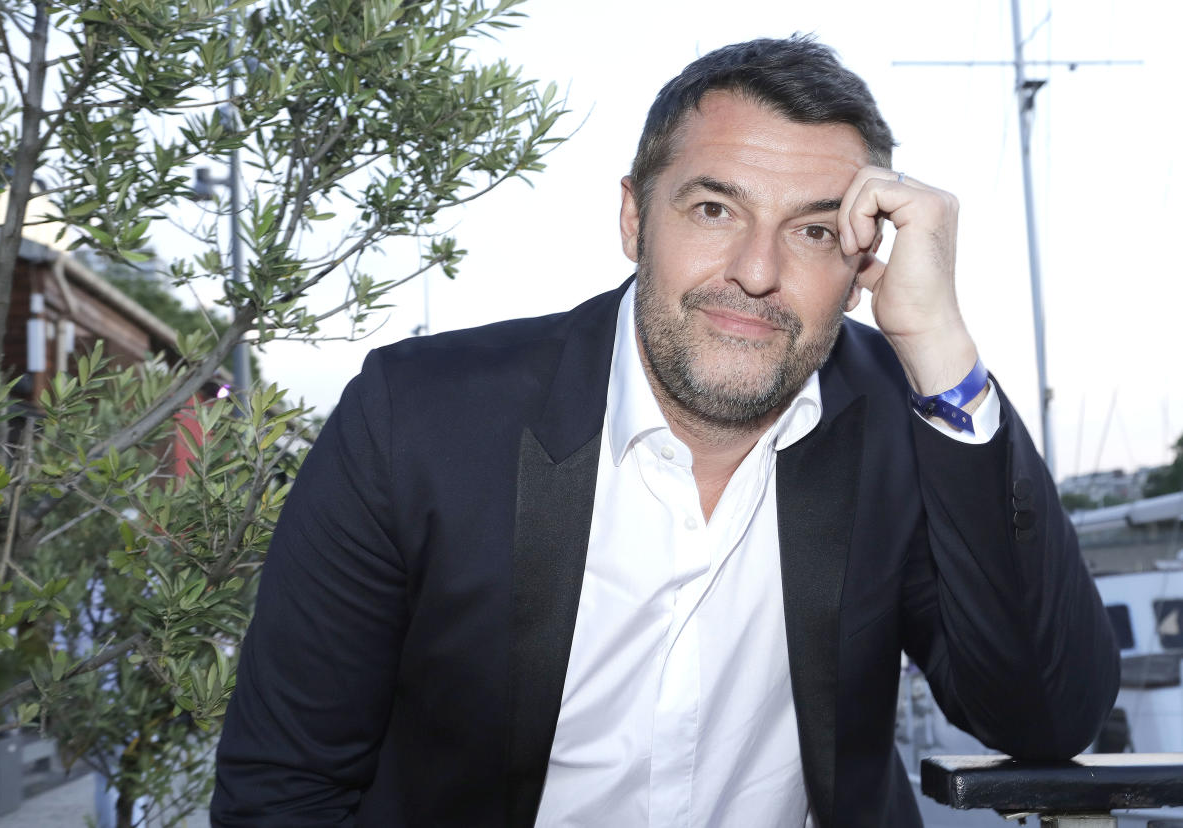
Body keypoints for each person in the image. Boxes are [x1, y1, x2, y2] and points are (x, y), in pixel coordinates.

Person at [210, 36, 1119, 828]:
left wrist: (943, 352)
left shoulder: (900, 414)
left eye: (811, 231)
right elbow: (284, 789)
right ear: (634, 218)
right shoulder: (418, 421)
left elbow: (1044, 716)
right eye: (714, 209)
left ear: (861, 264)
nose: (756, 273)